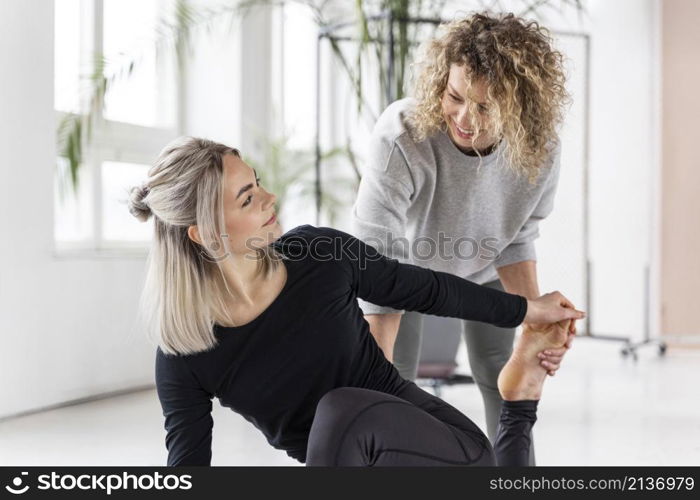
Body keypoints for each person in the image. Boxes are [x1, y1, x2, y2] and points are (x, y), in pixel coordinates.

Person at [129, 136, 584, 466]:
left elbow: (427, 288)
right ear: (205, 234)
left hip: (446, 450)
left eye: (259, 183)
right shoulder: (184, 355)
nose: (271, 198)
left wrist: (526, 309)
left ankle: (518, 406)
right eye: (248, 199)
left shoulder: (319, 253)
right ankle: (519, 406)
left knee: (340, 407)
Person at [351, 12, 572, 465]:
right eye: (455, 97)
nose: (465, 119)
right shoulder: (403, 135)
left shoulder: (540, 146)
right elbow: (378, 255)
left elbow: (517, 235)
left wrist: (535, 330)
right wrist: (372, 386)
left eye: (487, 107)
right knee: (389, 381)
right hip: (402, 273)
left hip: (484, 269)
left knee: (503, 374)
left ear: (519, 107)